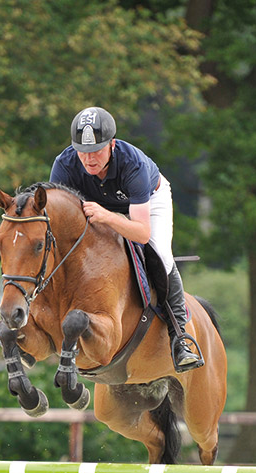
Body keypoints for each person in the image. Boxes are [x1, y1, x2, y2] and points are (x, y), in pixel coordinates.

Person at [50, 106, 204, 372]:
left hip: (148, 203)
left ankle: (180, 337)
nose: (89, 159)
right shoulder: (64, 165)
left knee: (160, 254)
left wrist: (107, 216)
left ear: (112, 144)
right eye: (83, 151)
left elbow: (141, 233)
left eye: (96, 150)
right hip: (99, 207)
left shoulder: (133, 164)